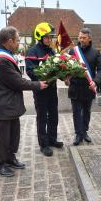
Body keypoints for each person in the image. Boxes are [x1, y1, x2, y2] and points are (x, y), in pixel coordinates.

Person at [0, 26, 48, 177]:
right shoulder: (1, 59)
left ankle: (10, 158)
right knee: (3, 136)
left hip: (8, 103)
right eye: (18, 41)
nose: (18, 44)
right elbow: (17, 82)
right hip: (3, 104)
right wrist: (38, 85)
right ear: (9, 41)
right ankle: (0, 164)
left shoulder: (3, 53)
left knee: (13, 134)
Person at [26, 22, 63, 157]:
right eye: (47, 37)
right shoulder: (32, 52)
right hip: (40, 91)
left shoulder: (52, 51)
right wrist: (44, 76)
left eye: (50, 37)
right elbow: (30, 72)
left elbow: (58, 69)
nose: (49, 39)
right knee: (42, 117)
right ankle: (44, 144)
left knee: (54, 116)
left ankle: (52, 139)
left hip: (52, 90)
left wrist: (64, 77)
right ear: (40, 37)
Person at [65, 28, 101, 145]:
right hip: (75, 87)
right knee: (76, 112)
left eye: (84, 38)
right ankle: (78, 134)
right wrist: (66, 78)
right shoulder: (73, 51)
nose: (81, 40)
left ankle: (85, 132)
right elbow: (67, 68)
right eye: (80, 37)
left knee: (87, 111)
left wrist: (96, 81)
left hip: (88, 87)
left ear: (89, 38)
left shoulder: (96, 53)